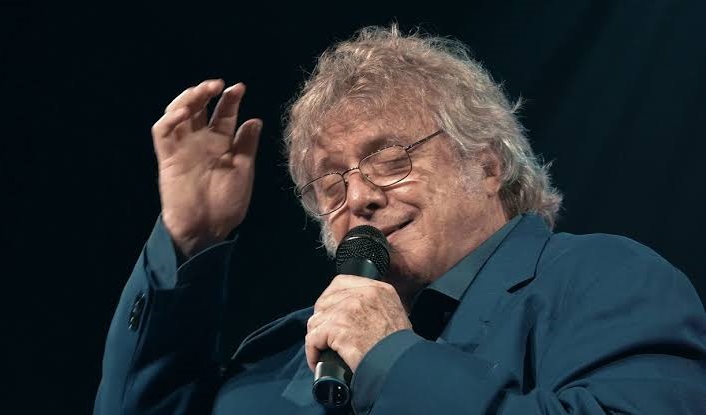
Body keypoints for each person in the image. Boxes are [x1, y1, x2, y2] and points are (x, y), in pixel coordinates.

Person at [94, 25, 706, 414]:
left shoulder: (603, 279)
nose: (359, 197)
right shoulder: (285, 350)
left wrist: (391, 359)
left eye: (390, 161)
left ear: (487, 165)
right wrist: (190, 237)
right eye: (330, 184)